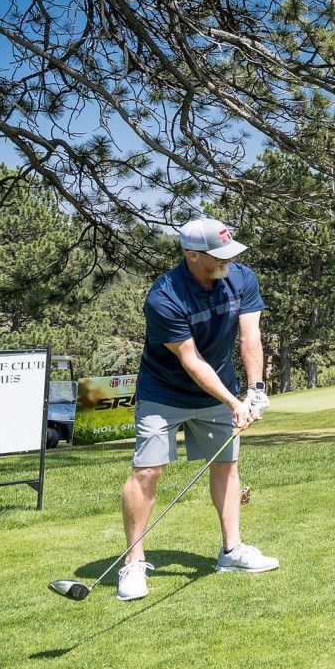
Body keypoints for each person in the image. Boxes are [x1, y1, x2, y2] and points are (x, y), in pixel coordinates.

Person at [117, 218, 277, 601]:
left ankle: (231, 551)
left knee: (226, 466)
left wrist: (254, 390)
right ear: (192, 256)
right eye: (218, 255)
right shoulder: (164, 297)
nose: (229, 261)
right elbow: (190, 360)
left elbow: (250, 333)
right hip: (164, 392)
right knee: (148, 470)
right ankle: (133, 563)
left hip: (219, 388)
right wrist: (232, 401)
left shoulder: (240, 278)